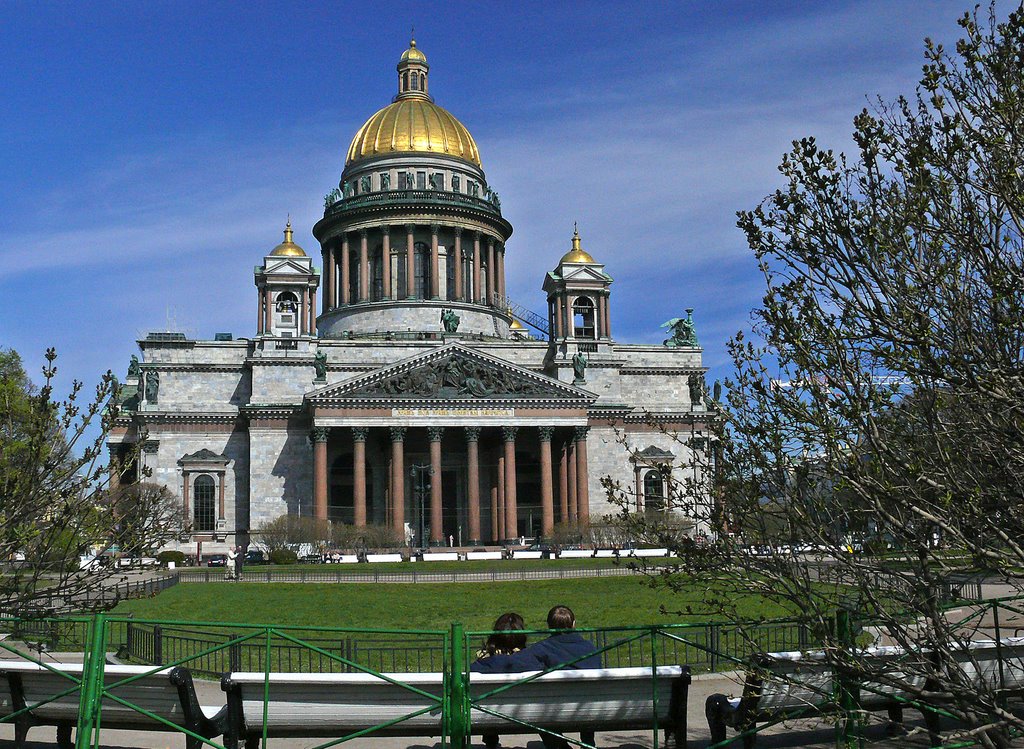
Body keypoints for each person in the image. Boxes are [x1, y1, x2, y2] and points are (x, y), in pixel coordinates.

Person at [518, 605, 600, 749]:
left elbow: (519, 664)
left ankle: (560, 746)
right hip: (591, 710)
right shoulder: (590, 647)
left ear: (549, 626)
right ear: (574, 624)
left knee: (537, 712)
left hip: (556, 711)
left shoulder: (542, 648)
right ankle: (587, 742)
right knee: (587, 694)